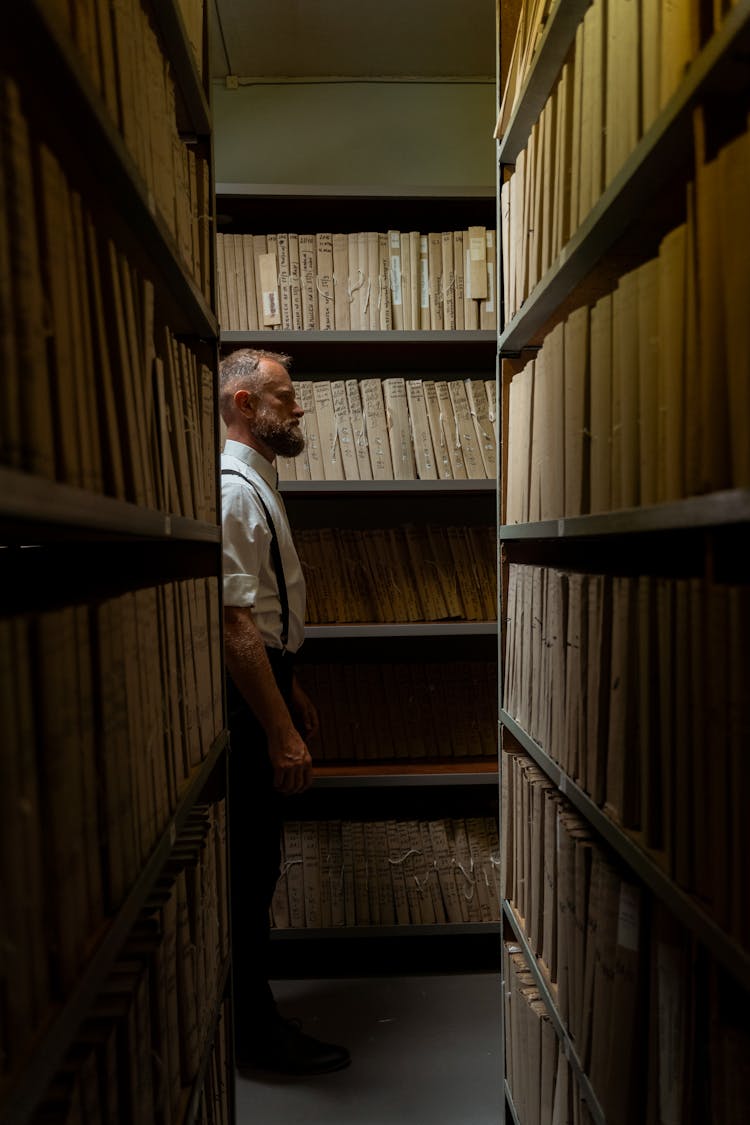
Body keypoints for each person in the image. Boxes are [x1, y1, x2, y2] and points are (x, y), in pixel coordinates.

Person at [219, 347, 350, 1075]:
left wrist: (290, 684)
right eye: (284, 396)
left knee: (258, 868)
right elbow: (235, 624)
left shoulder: (256, 481)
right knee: (250, 871)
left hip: (267, 679)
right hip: (247, 706)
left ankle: (255, 1012)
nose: (298, 409)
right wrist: (279, 729)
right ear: (244, 404)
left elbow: (262, 613)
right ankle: (256, 1040)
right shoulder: (235, 490)